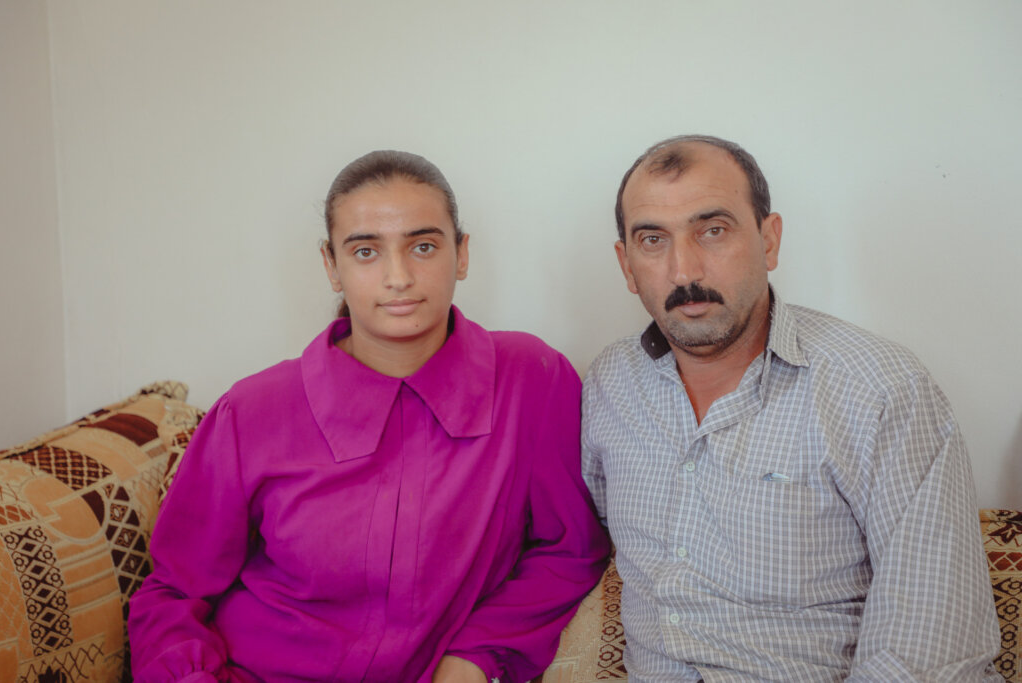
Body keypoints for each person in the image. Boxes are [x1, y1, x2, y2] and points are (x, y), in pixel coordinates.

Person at [129, 150, 609, 683]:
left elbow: (569, 548)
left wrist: (477, 656)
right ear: (331, 265)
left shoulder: (530, 379)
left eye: (423, 246)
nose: (398, 277)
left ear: (463, 254)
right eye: (365, 252)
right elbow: (174, 590)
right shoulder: (250, 411)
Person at [581, 134, 1001, 681]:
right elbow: (571, 539)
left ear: (769, 239)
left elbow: (932, 647)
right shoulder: (610, 385)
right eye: (653, 239)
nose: (684, 271)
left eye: (713, 230)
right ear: (627, 263)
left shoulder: (879, 390)